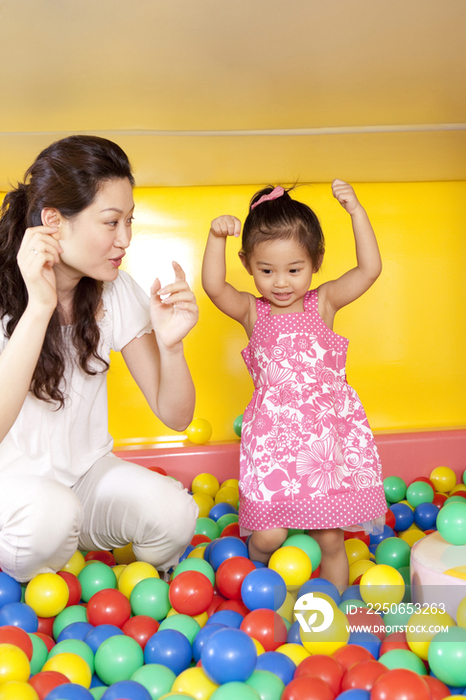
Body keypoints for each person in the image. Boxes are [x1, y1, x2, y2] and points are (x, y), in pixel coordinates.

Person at [0, 135, 199, 582]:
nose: (125, 239)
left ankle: (82, 561)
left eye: (129, 221)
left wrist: (171, 346)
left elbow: (177, 416)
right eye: (111, 222)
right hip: (13, 491)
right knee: (49, 517)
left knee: (175, 515)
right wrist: (40, 307)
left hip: (85, 481)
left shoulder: (115, 289)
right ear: (54, 221)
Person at [202, 180, 386, 586]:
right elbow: (214, 288)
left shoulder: (324, 302)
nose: (280, 282)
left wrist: (356, 211)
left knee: (330, 538)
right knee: (269, 535)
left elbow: (369, 270)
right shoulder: (253, 311)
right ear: (247, 263)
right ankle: (259, 589)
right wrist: (215, 237)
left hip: (322, 444)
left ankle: (333, 610)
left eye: (294, 269)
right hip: (274, 443)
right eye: (266, 271)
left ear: (316, 261)